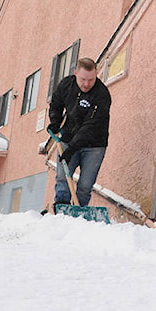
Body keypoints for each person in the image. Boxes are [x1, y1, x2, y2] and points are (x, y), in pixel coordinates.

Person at [47, 57, 111, 207]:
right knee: (63, 178)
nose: (87, 84)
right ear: (75, 73)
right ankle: (62, 209)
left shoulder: (102, 95)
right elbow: (56, 103)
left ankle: (79, 216)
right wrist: (55, 121)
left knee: (85, 186)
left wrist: (72, 148)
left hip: (94, 145)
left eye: (91, 79)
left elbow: (90, 126)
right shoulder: (66, 85)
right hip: (68, 139)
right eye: (83, 79)